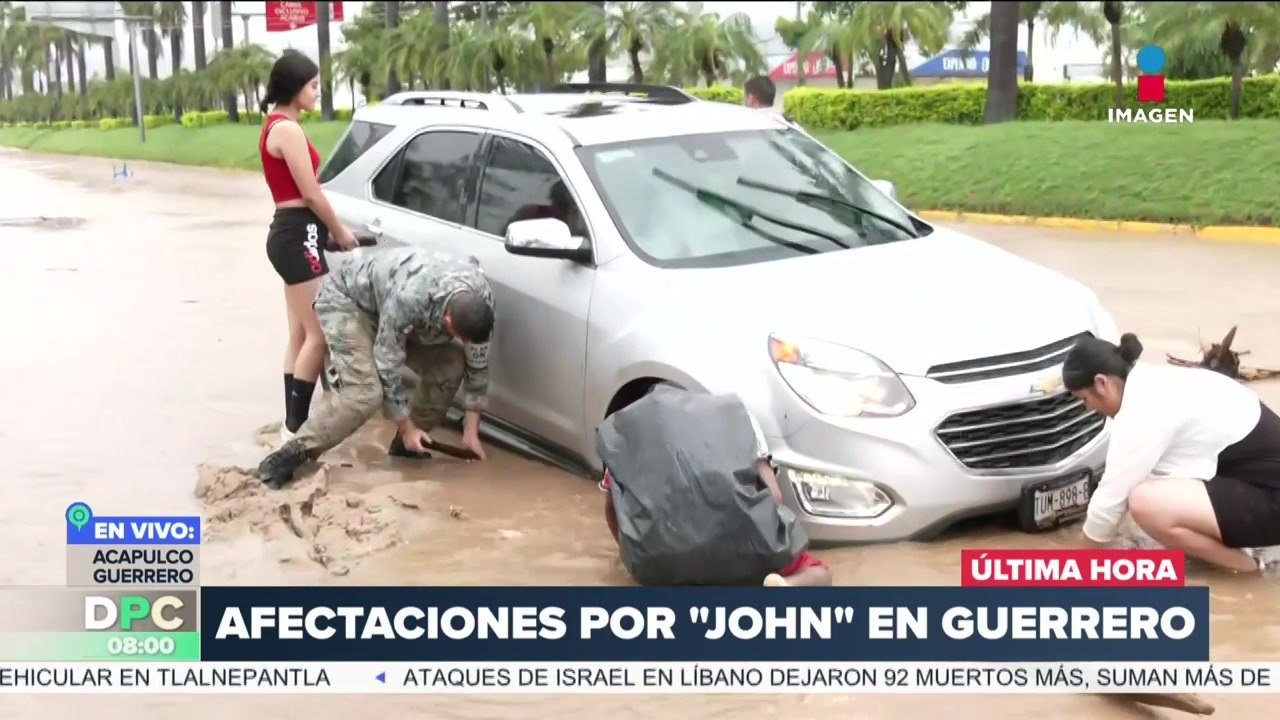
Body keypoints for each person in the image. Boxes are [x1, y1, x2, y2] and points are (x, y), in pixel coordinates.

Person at [256, 247, 496, 489]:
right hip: (347, 301)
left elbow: (478, 365)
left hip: (390, 310)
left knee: (452, 364)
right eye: (459, 336)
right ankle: (289, 456)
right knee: (365, 393)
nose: (466, 343)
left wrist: (471, 431)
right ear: (448, 322)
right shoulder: (410, 298)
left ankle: (406, 449)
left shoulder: (482, 300)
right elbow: (387, 364)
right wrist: (406, 425)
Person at [1062, 332, 1280, 573]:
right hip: (1256, 482)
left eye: (1083, 399)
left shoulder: (1143, 410)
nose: (1087, 408)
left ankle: (1248, 568)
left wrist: (1075, 567)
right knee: (1149, 484)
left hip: (1272, 499)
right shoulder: (1155, 381)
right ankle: (1223, 549)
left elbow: (1109, 502)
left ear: (1102, 383)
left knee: (1145, 503)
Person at [601, 393, 832, 587]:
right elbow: (776, 497)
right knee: (820, 574)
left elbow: (612, 508)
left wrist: (633, 561)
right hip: (744, 550)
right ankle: (787, 586)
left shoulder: (630, 439)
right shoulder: (739, 425)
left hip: (661, 559)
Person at [259, 50, 360, 446]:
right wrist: (340, 231)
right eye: (313, 85)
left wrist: (325, 232)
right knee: (319, 336)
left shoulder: (277, 124)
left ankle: (291, 425)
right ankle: (295, 431)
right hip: (297, 233)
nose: (318, 92)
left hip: (295, 233)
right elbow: (312, 194)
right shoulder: (287, 130)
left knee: (300, 335)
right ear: (295, 87)